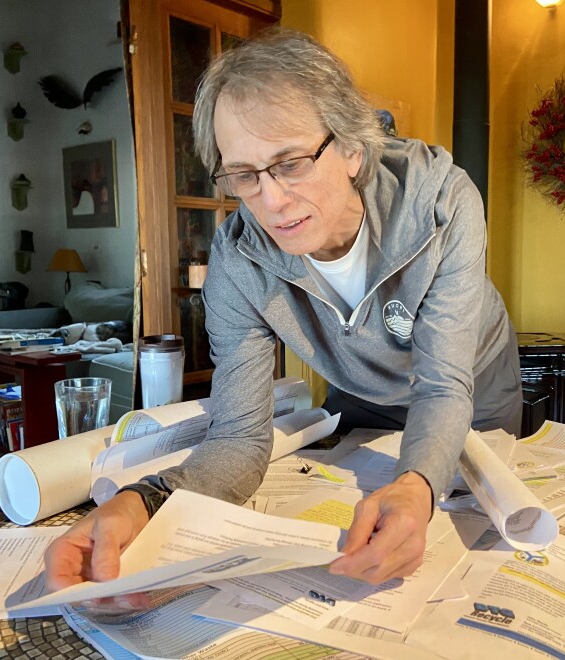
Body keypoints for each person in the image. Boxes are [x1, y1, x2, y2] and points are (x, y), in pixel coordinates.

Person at [44, 28, 521, 595]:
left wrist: (417, 485)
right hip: (362, 395)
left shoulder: (442, 203)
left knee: (464, 555)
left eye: (290, 163)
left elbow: (443, 388)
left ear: (351, 147)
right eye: (243, 175)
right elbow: (240, 440)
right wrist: (142, 501)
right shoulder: (237, 258)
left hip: (469, 393)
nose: (271, 202)